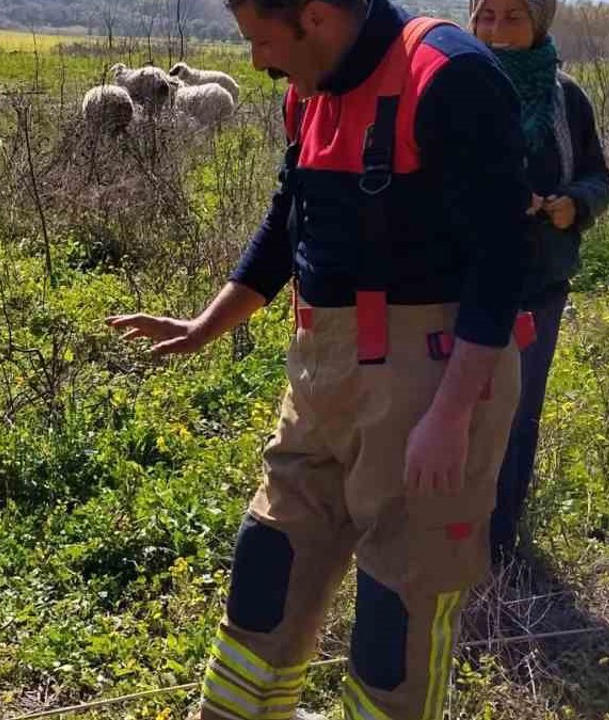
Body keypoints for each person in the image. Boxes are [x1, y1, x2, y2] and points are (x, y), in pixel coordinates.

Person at [108, 0, 534, 716]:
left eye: (262, 40)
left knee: (396, 611)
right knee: (269, 566)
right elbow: (289, 214)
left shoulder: (450, 76)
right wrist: (207, 323)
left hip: (430, 379)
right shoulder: (311, 90)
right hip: (321, 366)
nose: (255, 61)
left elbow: (502, 261)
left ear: (316, 15)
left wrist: (452, 414)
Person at [470, 0, 609, 564]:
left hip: (538, 285)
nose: (497, 32)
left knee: (518, 412)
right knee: (450, 408)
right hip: (457, 284)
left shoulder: (566, 97)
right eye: (487, 16)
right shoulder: (451, 88)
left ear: (541, 24)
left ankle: (499, 540)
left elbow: (598, 175)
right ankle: (445, 534)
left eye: (513, 17)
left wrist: (573, 205)